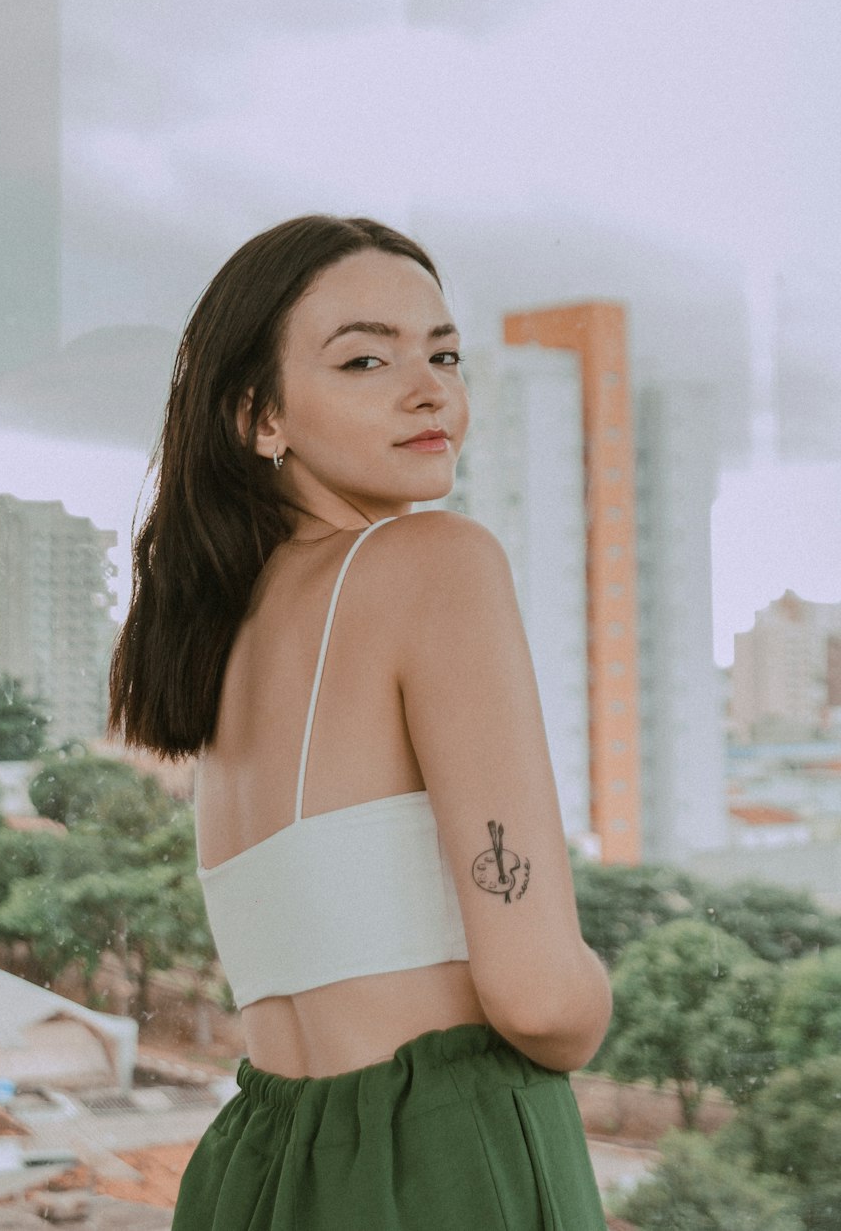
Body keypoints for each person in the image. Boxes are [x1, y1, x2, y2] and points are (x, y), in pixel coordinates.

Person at [109, 214, 612, 1229]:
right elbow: (539, 997)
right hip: (438, 1151)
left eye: (444, 354)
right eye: (364, 359)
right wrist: (589, 1002)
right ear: (259, 417)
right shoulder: (434, 562)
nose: (429, 389)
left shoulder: (222, 636)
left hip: (256, 1159)